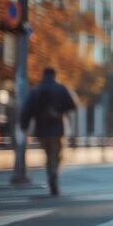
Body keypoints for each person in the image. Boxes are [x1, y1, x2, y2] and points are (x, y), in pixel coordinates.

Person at [20, 67, 77, 196]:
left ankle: (51, 174)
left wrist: (24, 125)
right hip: (58, 129)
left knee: (48, 154)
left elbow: (26, 110)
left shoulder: (36, 90)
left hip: (41, 130)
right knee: (56, 156)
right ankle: (53, 175)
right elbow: (73, 104)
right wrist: (60, 111)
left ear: (43, 74)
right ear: (55, 75)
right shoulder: (61, 88)